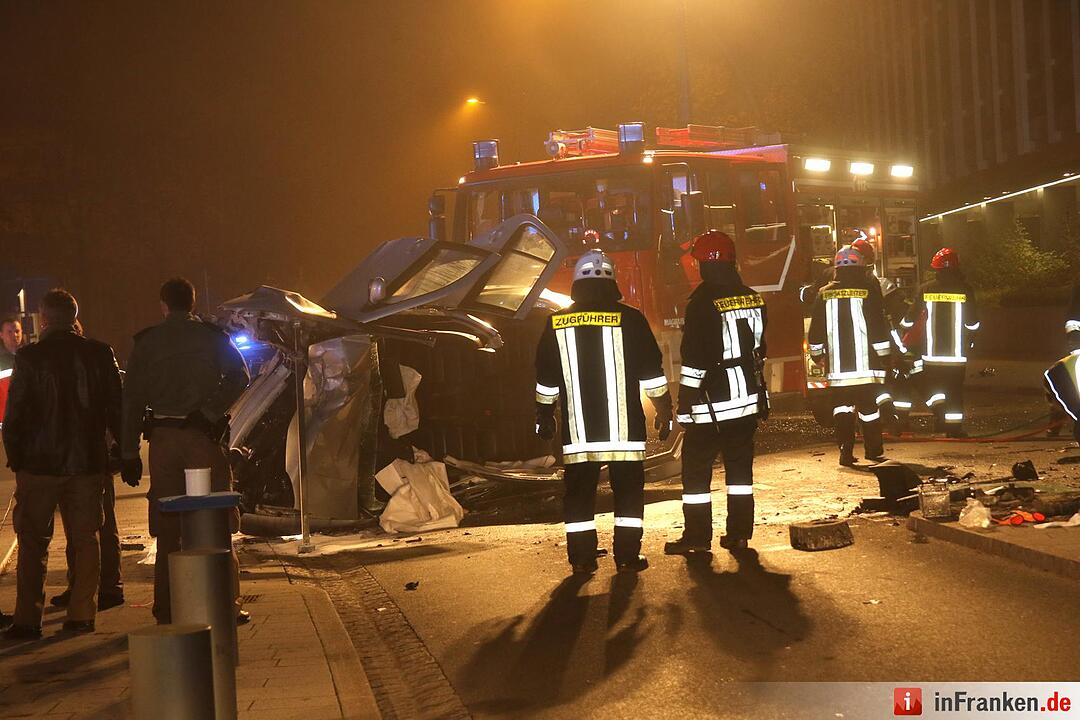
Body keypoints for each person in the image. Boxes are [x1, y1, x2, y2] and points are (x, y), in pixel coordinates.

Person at [534, 250, 672, 574]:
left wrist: (544, 416)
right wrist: (664, 410)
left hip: (579, 433)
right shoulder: (632, 319)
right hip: (625, 433)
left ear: (576, 283)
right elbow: (652, 372)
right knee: (628, 496)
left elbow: (546, 378)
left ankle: (581, 559)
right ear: (613, 282)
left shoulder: (555, 323)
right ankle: (626, 556)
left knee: (579, 496)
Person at [121, 277, 250, 624]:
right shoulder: (212, 337)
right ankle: (225, 603)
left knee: (167, 529)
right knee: (215, 522)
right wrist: (209, 412)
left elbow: (131, 399)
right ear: (191, 303)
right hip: (203, 438)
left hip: (162, 439)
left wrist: (129, 452)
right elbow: (240, 376)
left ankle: (166, 607)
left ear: (163, 305)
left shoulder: (147, 342)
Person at [2, 290, 122, 638]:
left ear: (43, 317)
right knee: (86, 539)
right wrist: (122, 453)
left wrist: (17, 456)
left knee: (33, 542)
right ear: (74, 316)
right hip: (86, 462)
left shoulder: (30, 358)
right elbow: (117, 407)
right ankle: (82, 613)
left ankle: (28, 618)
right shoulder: (100, 354)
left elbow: (15, 415)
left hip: (39, 464)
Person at [664, 230, 768, 555]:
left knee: (696, 476)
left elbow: (695, 362)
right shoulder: (753, 297)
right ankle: (739, 535)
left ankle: (696, 538)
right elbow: (760, 349)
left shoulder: (701, 304)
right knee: (740, 475)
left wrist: (684, 405)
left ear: (704, 264)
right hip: (747, 400)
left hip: (712, 404)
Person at [49, 320, 125, 612]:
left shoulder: (78, 360)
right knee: (92, 525)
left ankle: (101, 586)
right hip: (92, 453)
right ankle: (94, 586)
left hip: (84, 455)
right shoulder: (98, 357)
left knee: (90, 526)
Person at [808, 246, 892, 466]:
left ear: (836, 268)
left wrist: (817, 355)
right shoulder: (869, 290)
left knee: (842, 409)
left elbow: (816, 329)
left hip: (838, 370)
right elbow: (877, 326)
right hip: (866, 368)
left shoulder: (823, 293)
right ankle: (873, 451)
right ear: (860, 267)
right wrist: (885, 355)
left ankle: (845, 451)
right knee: (869, 410)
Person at [900, 247, 980, 438]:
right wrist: (970, 341)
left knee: (937, 389)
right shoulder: (965, 290)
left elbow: (909, 320)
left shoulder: (926, 289)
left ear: (936, 268)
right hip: (956, 354)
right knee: (954, 392)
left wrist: (902, 326)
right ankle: (954, 430)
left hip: (932, 354)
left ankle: (939, 420)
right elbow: (973, 323)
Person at [0, 315, 23, 422]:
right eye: (9, 332)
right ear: (1, 335)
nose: (15, 335)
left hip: (26, 417)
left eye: (17, 331)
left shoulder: (30, 358)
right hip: (4, 419)